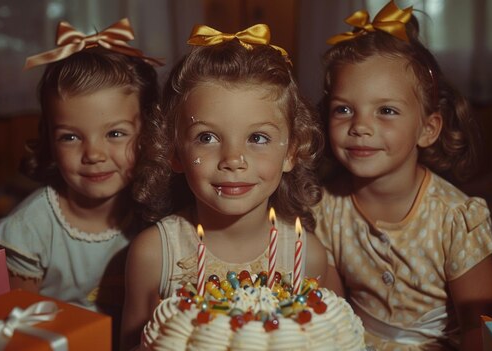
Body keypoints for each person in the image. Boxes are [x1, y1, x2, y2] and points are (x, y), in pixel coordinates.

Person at [120, 24, 340, 349]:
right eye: (207, 138)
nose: (233, 159)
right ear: (175, 152)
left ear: (292, 151)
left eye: (258, 138)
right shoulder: (154, 254)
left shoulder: (306, 256)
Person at [314, 1, 492, 350]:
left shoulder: (456, 219)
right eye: (344, 109)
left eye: (386, 110)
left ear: (427, 129)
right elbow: (332, 316)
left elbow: (481, 328)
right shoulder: (325, 210)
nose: (360, 127)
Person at [0, 18, 165, 343]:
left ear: (147, 136)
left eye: (115, 133)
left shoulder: (156, 214)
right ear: (50, 143)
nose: (93, 154)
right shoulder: (29, 230)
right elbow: (17, 331)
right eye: (70, 137)